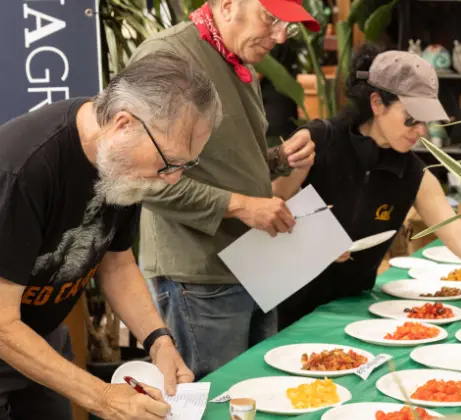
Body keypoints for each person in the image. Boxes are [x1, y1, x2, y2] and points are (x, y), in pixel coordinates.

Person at [0, 50, 222, 420]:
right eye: (169, 162)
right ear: (123, 124)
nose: (172, 178)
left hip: (35, 335)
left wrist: (158, 341)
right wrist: (103, 397)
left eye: (185, 164)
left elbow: (116, 263)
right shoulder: (23, 168)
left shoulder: (123, 161)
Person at [273, 45, 461, 329]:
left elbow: (458, 234)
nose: (421, 130)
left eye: (425, 120)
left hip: (351, 311)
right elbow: (268, 207)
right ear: (377, 104)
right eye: (411, 118)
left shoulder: (412, 173)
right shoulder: (318, 142)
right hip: (284, 308)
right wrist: (312, 236)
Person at [129, 0, 319, 380]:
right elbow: (140, 177)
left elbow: (220, 161)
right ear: (229, 5)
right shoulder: (169, 57)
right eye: (271, 19)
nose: (280, 36)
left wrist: (279, 158)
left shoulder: (236, 57)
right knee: (213, 401)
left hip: (252, 264)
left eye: (289, 28)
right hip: (200, 277)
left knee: (255, 395)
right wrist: (240, 206)